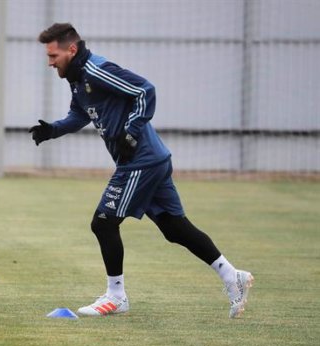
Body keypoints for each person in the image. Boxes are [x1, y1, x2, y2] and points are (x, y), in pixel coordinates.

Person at [30, 23, 253, 318]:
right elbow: (80, 114)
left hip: (141, 161)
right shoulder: (76, 77)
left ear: (71, 49)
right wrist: (53, 130)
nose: (50, 63)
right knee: (175, 228)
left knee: (103, 223)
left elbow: (144, 90)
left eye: (53, 55)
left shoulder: (97, 70)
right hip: (152, 159)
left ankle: (116, 296)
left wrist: (132, 131)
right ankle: (231, 275)